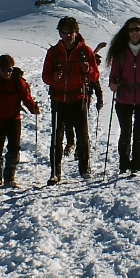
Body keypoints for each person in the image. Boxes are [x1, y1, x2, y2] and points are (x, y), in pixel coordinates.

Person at [42, 16, 100, 184]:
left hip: (78, 98)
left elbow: (95, 76)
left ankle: (84, 167)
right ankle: (55, 172)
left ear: (76, 32)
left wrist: (88, 70)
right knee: (56, 137)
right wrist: (53, 78)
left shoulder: (86, 51)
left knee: (82, 136)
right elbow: (45, 76)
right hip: (59, 99)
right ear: (60, 33)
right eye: (64, 32)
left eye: (70, 32)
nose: (67, 35)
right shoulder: (53, 52)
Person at [107, 17, 140, 174]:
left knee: (138, 132)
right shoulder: (120, 52)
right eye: (131, 29)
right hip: (124, 97)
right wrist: (113, 83)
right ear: (127, 31)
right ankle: (124, 164)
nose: (134, 32)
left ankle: (136, 164)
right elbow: (114, 73)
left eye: (137, 29)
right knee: (126, 132)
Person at [0, 54, 40, 188]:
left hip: (13, 120)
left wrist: (33, 108)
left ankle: (9, 177)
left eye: (9, 70)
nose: (7, 73)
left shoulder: (18, 82)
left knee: (14, 149)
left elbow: (26, 98)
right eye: (4, 70)